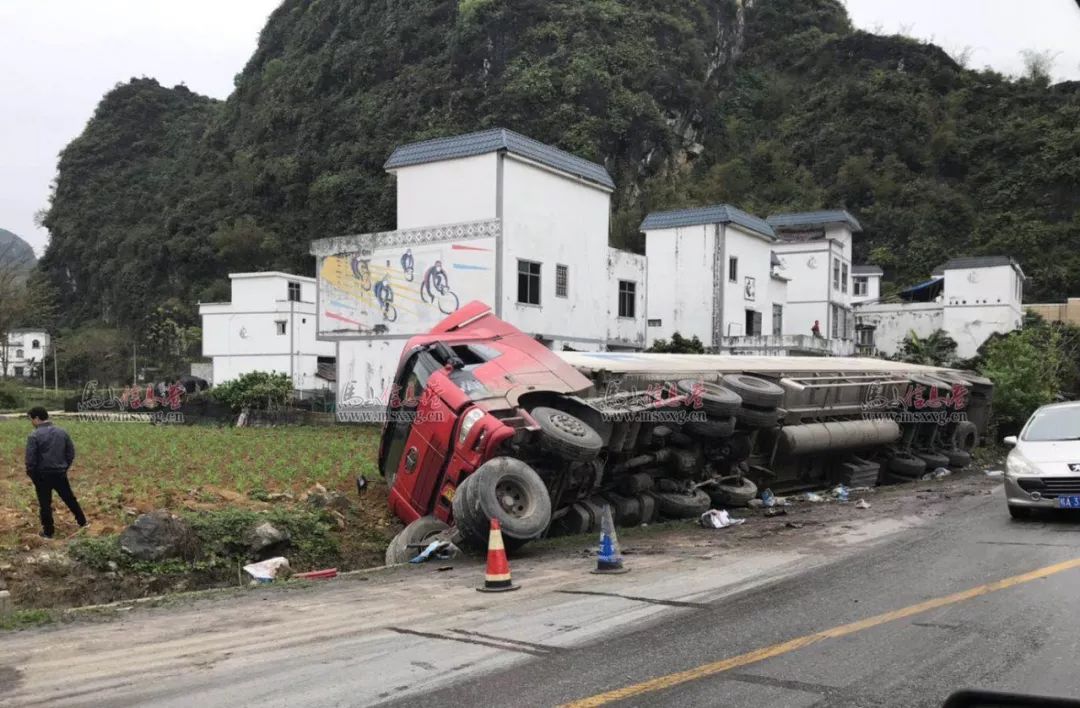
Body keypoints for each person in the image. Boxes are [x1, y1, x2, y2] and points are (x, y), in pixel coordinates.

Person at [25, 407, 86, 538]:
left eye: (31, 419)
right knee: (69, 498)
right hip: (60, 473)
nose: (31, 422)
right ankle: (82, 521)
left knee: (45, 503)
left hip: (42, 475)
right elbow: (70, 453)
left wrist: (33, 475)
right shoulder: (62, 432)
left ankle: (48, 531)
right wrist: (64, 468)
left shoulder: (34, 435)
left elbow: (30, 460)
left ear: (36, 418)